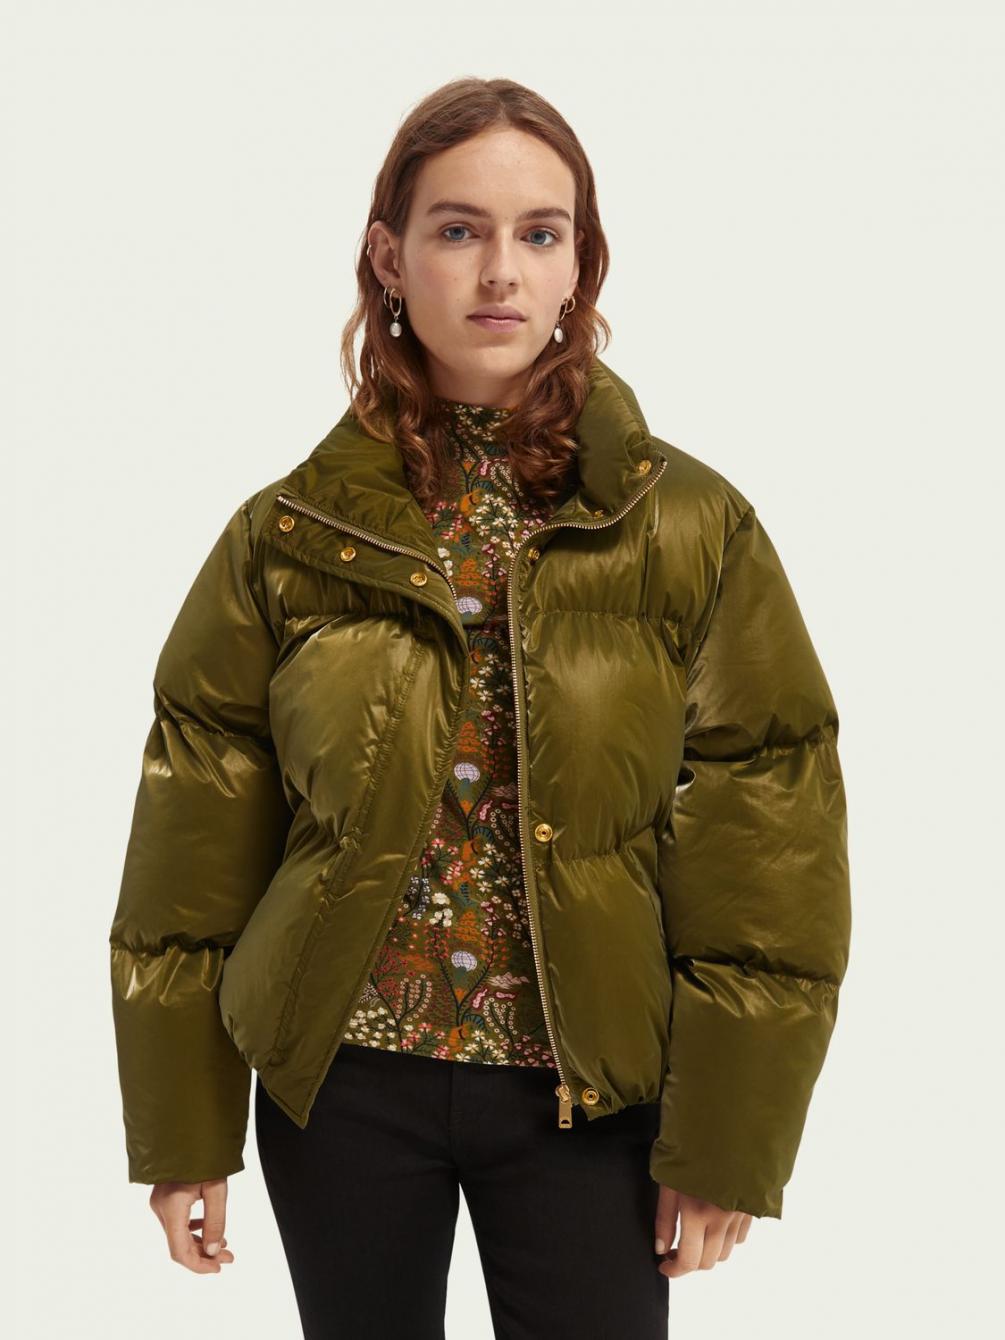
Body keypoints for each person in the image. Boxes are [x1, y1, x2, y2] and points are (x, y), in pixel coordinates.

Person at [108, 77, 851, 1339]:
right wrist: (182, 1128)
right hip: (339, 1083)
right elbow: (192, 847)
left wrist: (731, 1131)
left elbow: (770, 828)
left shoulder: (690, 527)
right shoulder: (286, 534)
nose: (501, 270)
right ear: (389, 257)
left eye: (539, 232)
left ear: (579, 265)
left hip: (590, 1093)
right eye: (458, 229)